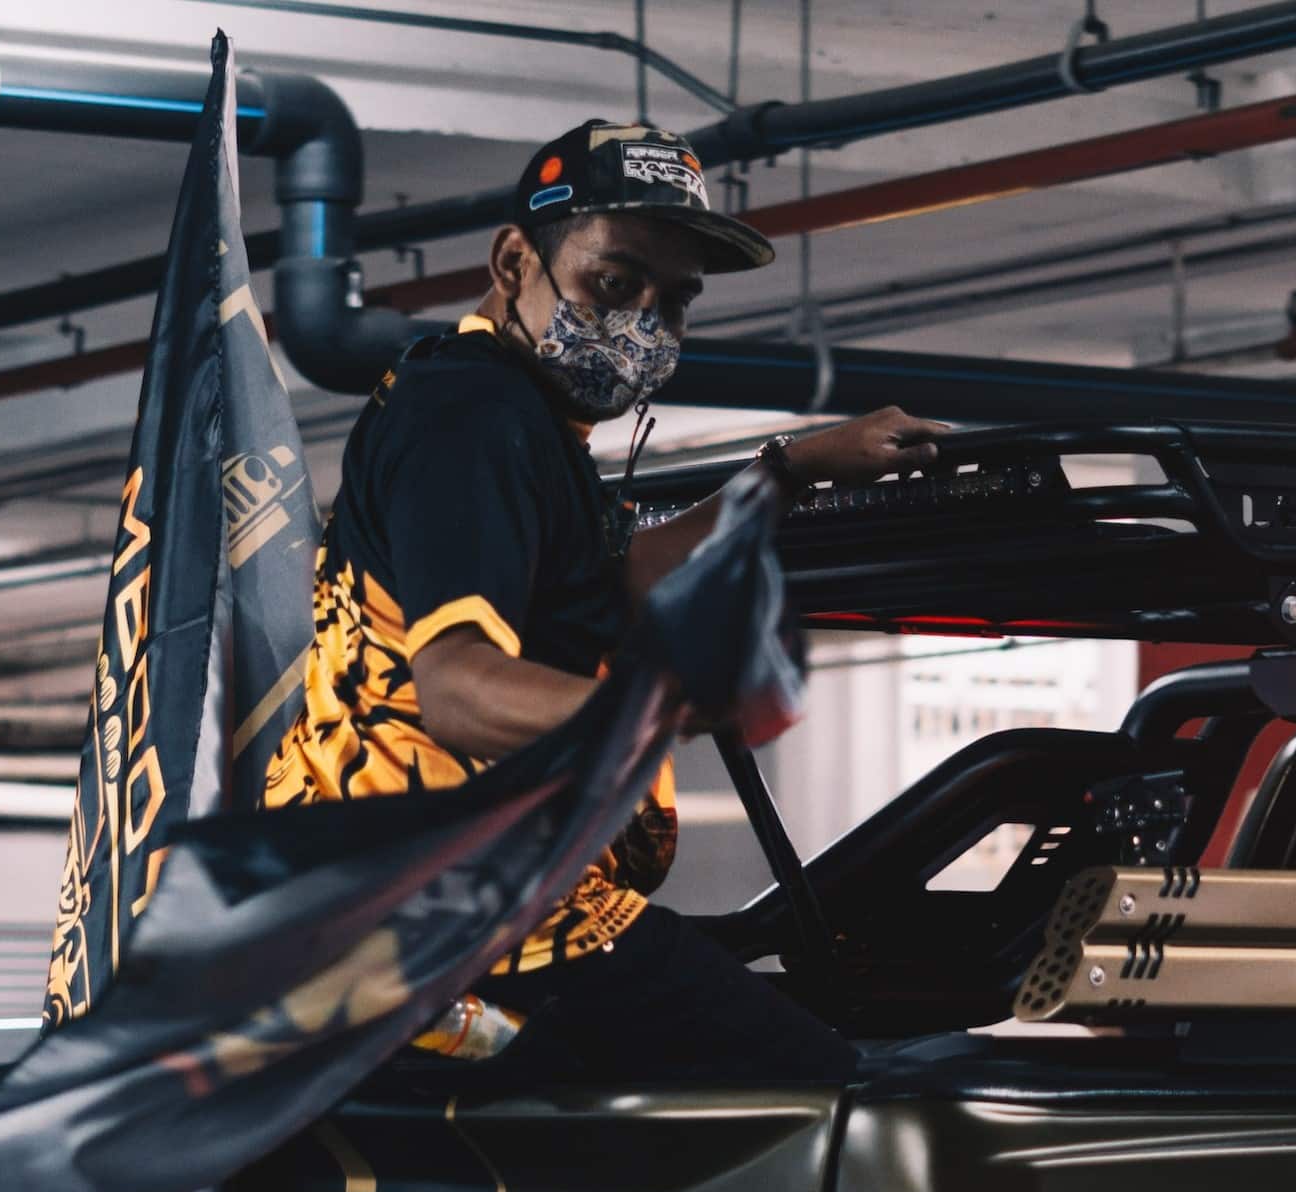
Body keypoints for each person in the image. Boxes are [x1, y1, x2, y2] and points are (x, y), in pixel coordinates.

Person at [264, 118, 947, 1086]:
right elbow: (458, 688)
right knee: (842, 1103)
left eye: (673, 301)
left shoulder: (521, 424)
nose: (643, 324)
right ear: (514, 260)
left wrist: (789, 469)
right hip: (468, 910)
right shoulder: (475, 415)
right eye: (614, 283)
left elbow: (615, 583)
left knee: (647, 1139)